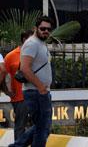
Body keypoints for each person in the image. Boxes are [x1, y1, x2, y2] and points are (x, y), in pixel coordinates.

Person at [10, 16, 54, 147]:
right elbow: (25, 68)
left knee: (42, 126)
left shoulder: (40, 43)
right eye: (43, 28)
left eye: (48, 29)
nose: (46, 31)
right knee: (43, 128)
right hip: (36, 92)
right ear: (36, 28)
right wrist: (41, 87)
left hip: (40, 92)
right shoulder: (32, 43)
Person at [5, 30, 34, 141]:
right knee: (20, 126)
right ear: (24, 40)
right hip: (19, 97)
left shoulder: (36, 54)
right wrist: (8, 91)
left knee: (36, 125)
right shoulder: (11, 56)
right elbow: (6, 75)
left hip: (35, 95)